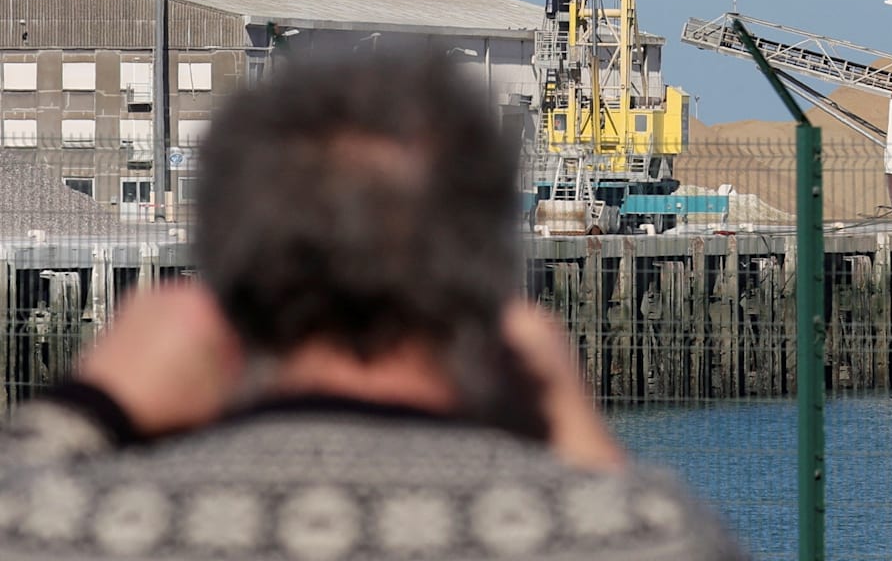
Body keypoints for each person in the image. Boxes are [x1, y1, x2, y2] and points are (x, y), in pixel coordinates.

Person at [0, 50, 746, 560]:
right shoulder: (636, 536)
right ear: (489, 277)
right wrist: (578, 433)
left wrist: (91, 404)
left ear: (223, 275)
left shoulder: (80, 528)